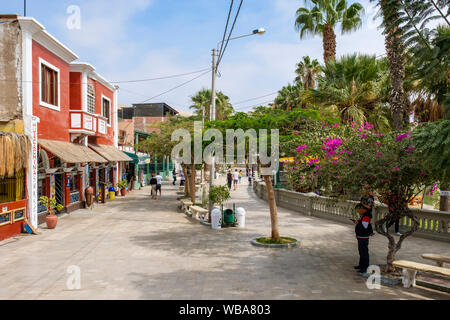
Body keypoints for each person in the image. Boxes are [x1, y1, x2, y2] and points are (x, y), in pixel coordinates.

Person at [352, 197, 374, 274]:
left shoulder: (366, 216)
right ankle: (361, 265)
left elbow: (364, 227)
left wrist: (358, 223)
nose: (358, 211)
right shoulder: (364, 215)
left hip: (363, 237)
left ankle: (365, 267)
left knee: (364, 252)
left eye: (359, 209)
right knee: (361, 252)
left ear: (363, 209)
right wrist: (358, 222)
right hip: (360, 237)